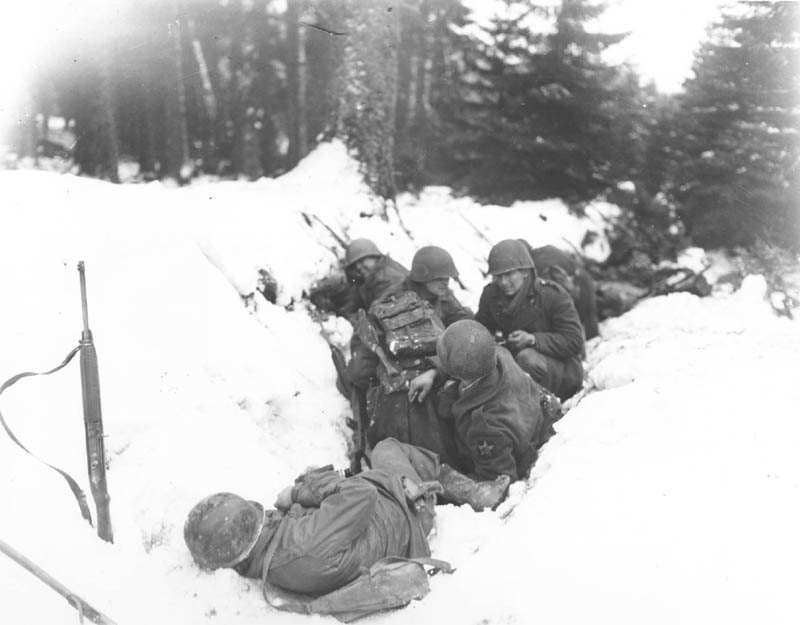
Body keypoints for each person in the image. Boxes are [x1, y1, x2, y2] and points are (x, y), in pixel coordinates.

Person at [184, 439, 508, 604]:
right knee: (386, 447)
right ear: (251, 532)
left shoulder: (271, 556)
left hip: (376, 525)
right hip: (404, 513)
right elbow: (361, 495)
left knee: (369, 458)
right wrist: (301, 489)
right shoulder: (301, 544)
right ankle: (471, 490)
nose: (266, 514)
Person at [346, 246, 473, 460]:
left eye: (447, 279)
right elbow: (369, 335)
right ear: (424, 278)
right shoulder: (395, 297)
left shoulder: (440, 294)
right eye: (440, 279)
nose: (446, 284)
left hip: (433, 363)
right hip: (398, 367)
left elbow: (460, 318)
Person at [432, 319, 558, 482]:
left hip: (511, 454)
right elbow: (466, 364)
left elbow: (497, 481)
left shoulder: (485, 427)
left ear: (457, 372)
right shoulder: (499, 355)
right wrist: (435, 373)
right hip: (533, 419)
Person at [475, 239, 585, 400]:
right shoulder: (491, 295)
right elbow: (481, 328)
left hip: (561, 371)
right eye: (498, 276)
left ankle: (546, 406)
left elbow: (574, 341)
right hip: (516, 367)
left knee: (527, 358)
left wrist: (533, 339)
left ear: (525, 271)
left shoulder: (552, 295)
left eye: (509, 274)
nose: (504, 282)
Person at [525, 242, 599, 340]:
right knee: (588, 317)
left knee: (577, 321)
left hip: (576, 284)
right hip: (581, 278)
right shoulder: (545, 250)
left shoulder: (537, 261)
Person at [341, 238, 409, 318]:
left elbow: (391, 291)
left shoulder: (389, 274)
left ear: (374, 257)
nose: (358, 267)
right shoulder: (368, 279)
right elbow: (354, 302)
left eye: (361, 260)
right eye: (355, 264)